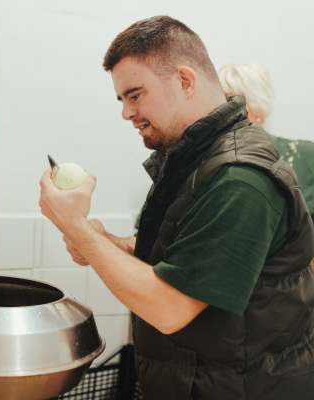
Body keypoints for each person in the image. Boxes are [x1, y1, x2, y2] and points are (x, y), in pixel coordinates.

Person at [39, 16, 314, 400]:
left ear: (185, 81)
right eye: (122, 99)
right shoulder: (194, 158)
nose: (126, 113)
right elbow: (188, 255)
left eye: (135, 95)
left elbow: (171, 308)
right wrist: (109, 242)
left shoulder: (240, 177)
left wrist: (79, 232)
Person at [217, 62, 314, 222]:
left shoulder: (306, 155)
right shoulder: (209, 161)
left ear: (258, 106)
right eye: (219, 102)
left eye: (232, 101)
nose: (222, 110)